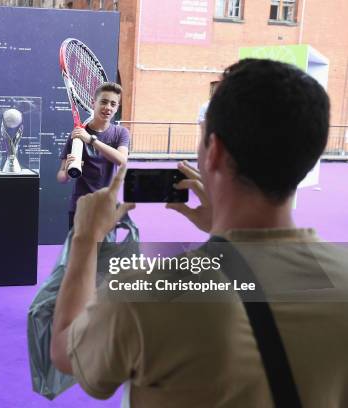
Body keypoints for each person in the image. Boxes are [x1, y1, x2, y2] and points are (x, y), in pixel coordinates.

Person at [51, 59, 348, 406]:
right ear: (310, 157)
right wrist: (220, 230)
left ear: (215, 151)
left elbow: (65, 352)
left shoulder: (147, 292)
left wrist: (85, 241)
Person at [57, 82, 130, 230]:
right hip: (80, 207)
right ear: (93, 102)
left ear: (117, 108)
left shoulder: (121, 133)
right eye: (103, 102)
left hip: (107, 207)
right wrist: (68, 172)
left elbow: (122, 160)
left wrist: (91, 140)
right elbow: (61, 177)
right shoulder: (77, 135)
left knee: (103, 253)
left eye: (113, 104)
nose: (108, 107)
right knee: (80, 254)